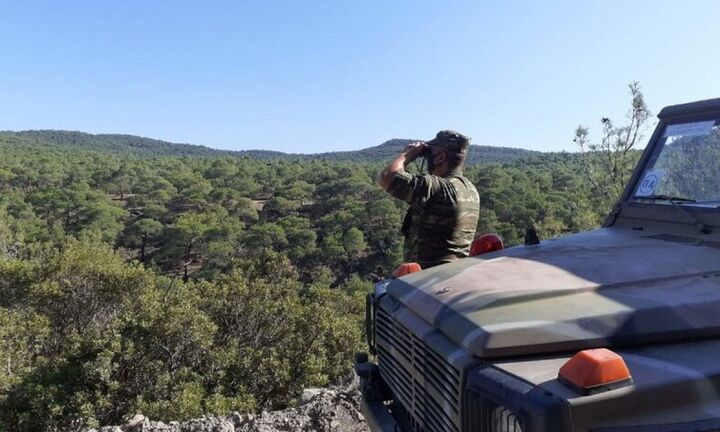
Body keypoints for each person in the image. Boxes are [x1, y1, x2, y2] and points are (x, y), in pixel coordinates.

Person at [377, 130, 480, 269]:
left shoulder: (439, 187)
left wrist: (409, 154)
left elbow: (387, 177)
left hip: (426, 278)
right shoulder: (470, 189)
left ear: (440, 157)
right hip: (454, 275)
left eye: (429, 153)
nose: (427, 158)